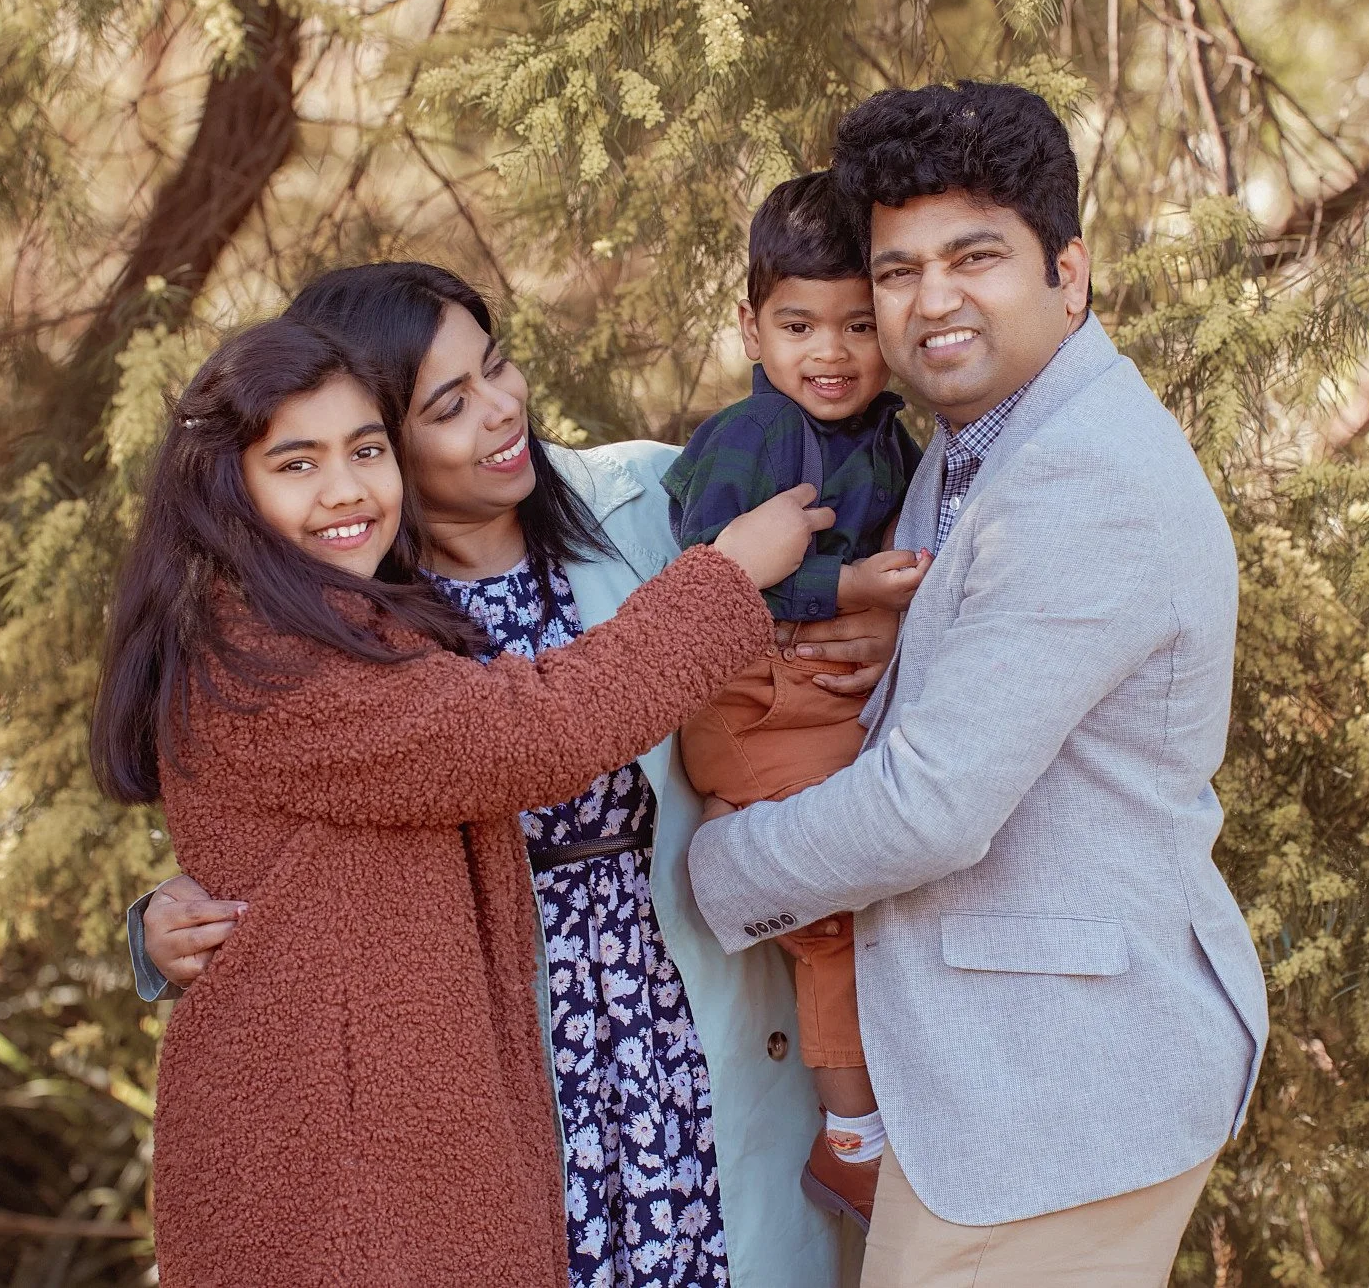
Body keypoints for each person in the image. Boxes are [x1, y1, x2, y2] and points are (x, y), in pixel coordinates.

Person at [128, 263, 897, 1286]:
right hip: (504, 1051)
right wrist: (154, 924)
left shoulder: (662, 499)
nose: (501, 411)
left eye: (495, 367)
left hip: (685, 994)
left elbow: (853, 613)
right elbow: (301, 819)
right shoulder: (330, 605)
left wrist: (874, 634)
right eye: (448, 406)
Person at [687, 81, 1269, 1287]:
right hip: (984, 1085)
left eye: (973, 257)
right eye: (895, 271)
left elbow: (928, 807)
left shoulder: (1080, 481)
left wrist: (705, 871)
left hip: (1054, 1095)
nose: (928, 300)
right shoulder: (969, 443)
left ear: (1068, 272)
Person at [661, 170, 929, 1229]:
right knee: (833, 906)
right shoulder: (753, 439)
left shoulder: (891, 437)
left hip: (817, 703)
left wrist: (884, 616)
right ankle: (850, 1140)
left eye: (857, 324)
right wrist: (845, 588)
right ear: (750, 329)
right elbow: (711, 577)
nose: (830, 352)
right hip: (750, 704)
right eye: (798, 324)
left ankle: (880, 1110)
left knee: (896, 875)